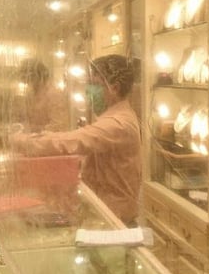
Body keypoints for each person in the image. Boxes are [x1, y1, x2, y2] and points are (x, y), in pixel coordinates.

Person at [11, 54, 142, 225]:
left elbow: (70, 141)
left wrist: (20, 141)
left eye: (94, 84)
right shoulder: (110, 117)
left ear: (114, 88)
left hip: (115, 219)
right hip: (105, 211)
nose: (88, 89)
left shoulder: (118, 124)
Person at [17, 58, 70, 133]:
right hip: (33, 140)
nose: (26, 83)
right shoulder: (30, 93)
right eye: (25, 80)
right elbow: (25, 120)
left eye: (29, 78)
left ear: (37, 75)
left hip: (49, 141)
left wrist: (35, 131)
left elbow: (59, 126)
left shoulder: (54, 94)